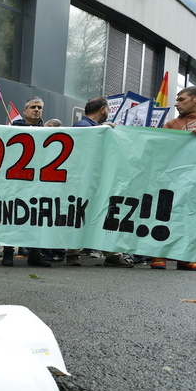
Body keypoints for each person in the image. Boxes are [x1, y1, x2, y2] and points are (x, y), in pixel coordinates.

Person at [64, 97, 132, 268]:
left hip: (96, 180)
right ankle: (75, 253)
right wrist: (102, 129)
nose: (108, 113)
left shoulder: (95, 127)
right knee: (82, 214)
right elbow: (84, 145)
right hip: (86, 181)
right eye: (108, 109)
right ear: (102, 109)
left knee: (102, 214)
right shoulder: (83, 126)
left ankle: (108, 254)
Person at [151, 85, 196, 271]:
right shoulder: (172, 124)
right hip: (172, 179)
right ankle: (158, 255)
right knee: (164, 214)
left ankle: (186, 257)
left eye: (182, 100)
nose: (176, 103)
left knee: (193, 217)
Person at [1, 97, 49, 267]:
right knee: (11, 217)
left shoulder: (48, 131)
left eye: (40, 107)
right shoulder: (13, 129)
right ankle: (8, 254)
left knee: (37, 218)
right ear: (24, 111)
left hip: (38, 183)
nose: (37, 110)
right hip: (15, 182)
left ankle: (35, 254)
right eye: (33, 107)